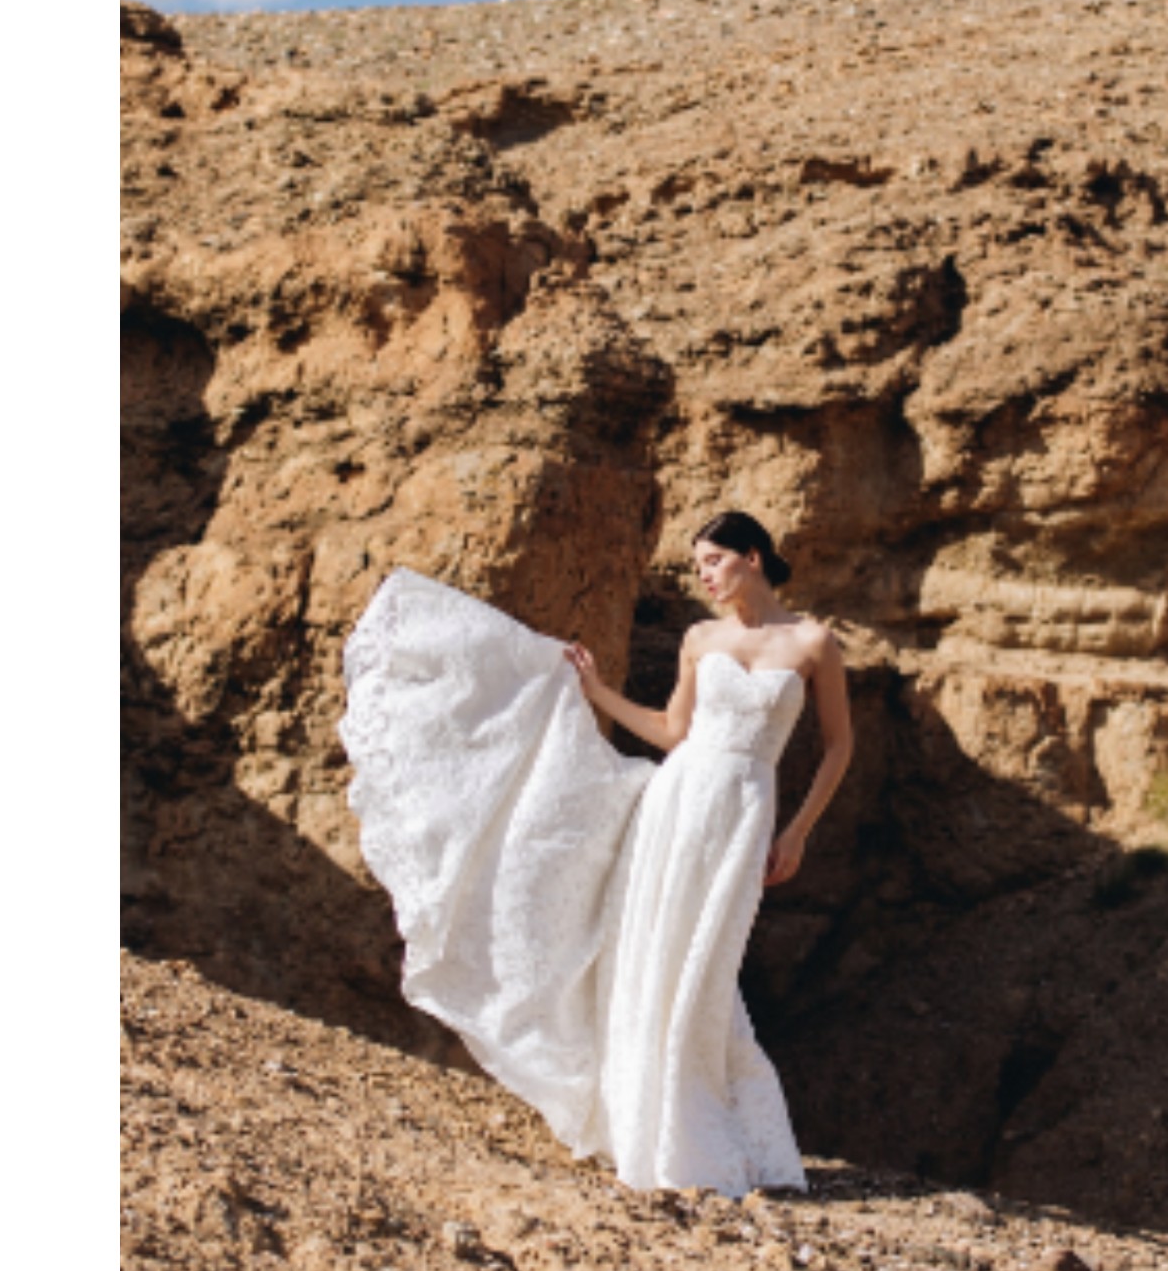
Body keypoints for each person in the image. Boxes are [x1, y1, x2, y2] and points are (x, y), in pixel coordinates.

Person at [338, 511, 853, 1197]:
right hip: (678, 801)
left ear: (752, 557)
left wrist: (798, 832)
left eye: (713, 560)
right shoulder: (701, 639)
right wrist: (598, 691)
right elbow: (673, 732)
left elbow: (840, 746)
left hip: (744, 812)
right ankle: (653, 1125)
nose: (703, 575)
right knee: (653, 948)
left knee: (707, 960)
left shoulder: (814, 642)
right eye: (698, 564)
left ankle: (697, 1114)